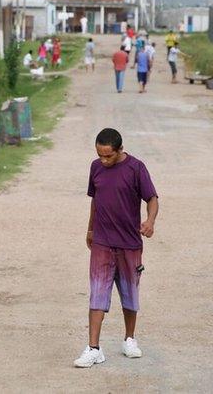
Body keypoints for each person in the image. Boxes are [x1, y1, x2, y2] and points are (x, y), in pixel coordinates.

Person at [74, 128, 159, 369]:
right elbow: (95, 199)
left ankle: (129, 339)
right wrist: (90, 229)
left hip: (129, 243)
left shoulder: (136, 168)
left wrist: (150, 221)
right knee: (97, 291)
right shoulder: (96, 167)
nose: (103, 160)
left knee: (130, 292)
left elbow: (152, 198)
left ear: (120, 150)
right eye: (100, 155)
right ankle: (93, 349)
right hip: (102, 240)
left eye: (108, 156)